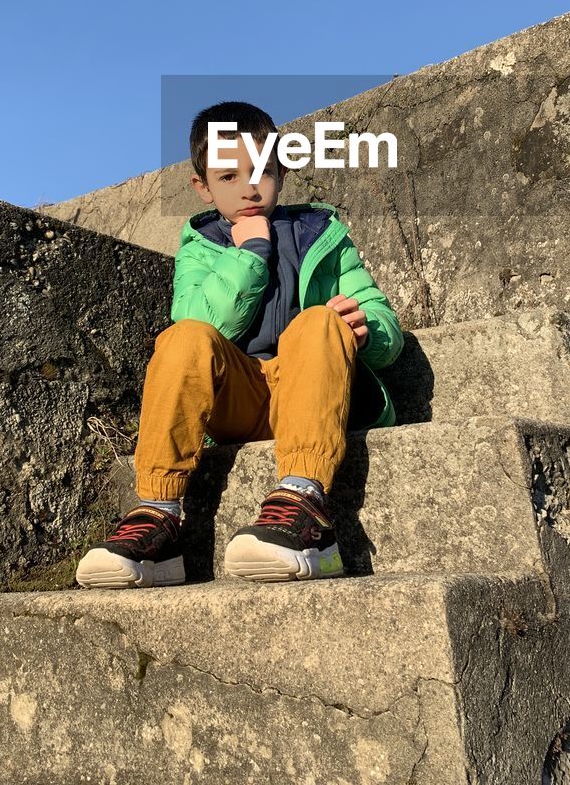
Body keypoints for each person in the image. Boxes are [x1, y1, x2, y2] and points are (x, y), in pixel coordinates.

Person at [75, 100, 404, 589]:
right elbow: (202, 322)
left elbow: (384, 325)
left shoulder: (322, 234)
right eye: (228, 177)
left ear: (283, 171)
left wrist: (367, 330)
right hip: (239, 397)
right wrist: (250, 252)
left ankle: (303, 505)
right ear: (202, 187)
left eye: (262, 172)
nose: (249, 188)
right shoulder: (202, 246)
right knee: (181, 337)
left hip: (312, 392)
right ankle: (158, 516)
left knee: (318, 321)